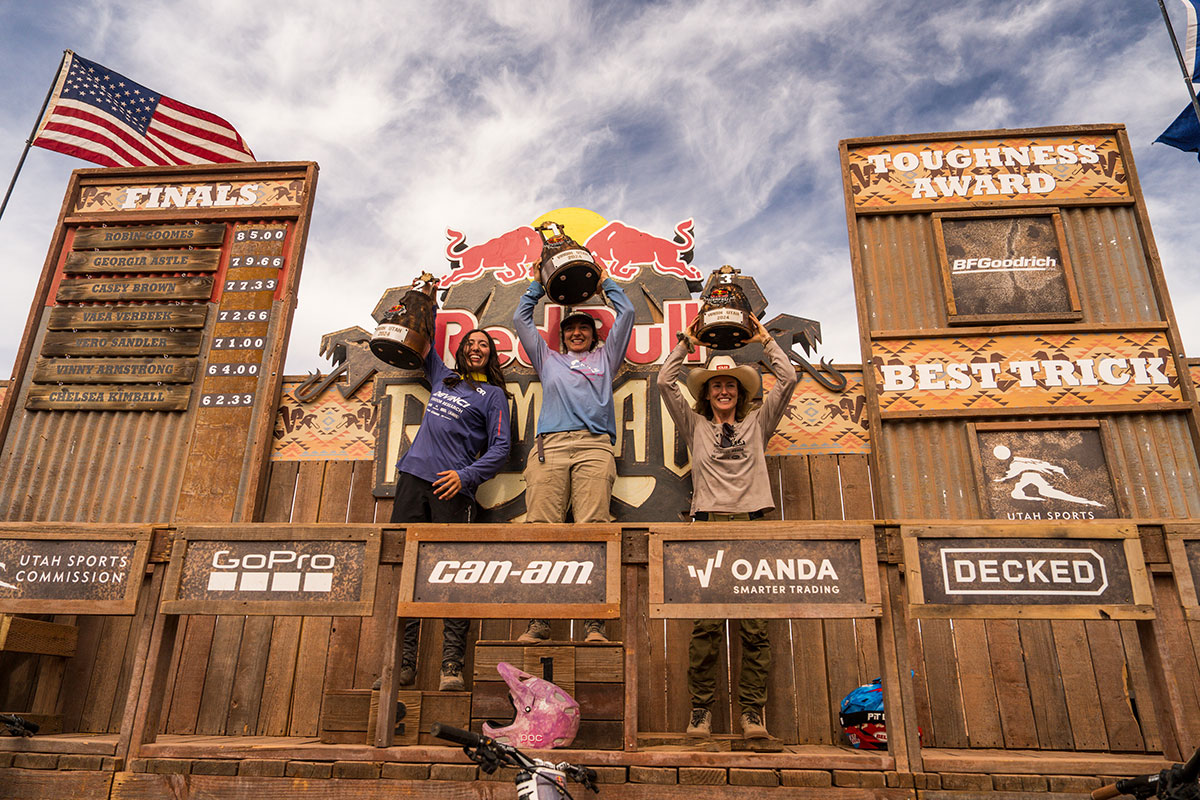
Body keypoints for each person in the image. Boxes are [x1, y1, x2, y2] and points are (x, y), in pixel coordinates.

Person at [656, 315, 798, 740]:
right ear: (706, 392)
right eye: (716, 385)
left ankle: (752, 715)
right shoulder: (694, 424)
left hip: (753, 524)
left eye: (730, 385)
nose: (723, 390)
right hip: (708, 525)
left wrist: (764, 339)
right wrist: (687, 340)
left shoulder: (758, 423)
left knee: (755, 626)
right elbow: (664, 381)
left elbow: (788, 378)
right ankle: (701, 712)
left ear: (740, 392)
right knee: (707, 626)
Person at [513, 262, 634, 644]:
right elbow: (520, 318)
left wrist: (602, 283)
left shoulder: (605, 358)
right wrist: (538, 283)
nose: (577, 332)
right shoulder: (549, 359)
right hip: (551, 447)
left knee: (593, 531)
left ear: (594, 336)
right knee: (542, 533)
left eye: (584, 328)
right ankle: (540, 621)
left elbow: (627, 311)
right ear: (562, 337)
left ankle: (594, 622)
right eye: (570, 328)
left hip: (594, 446)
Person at [391, 324, 512, 691]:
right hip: (412, 479)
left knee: (453, 575)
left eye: (484, 345)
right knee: (402, 575)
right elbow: (421, 338)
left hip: (452, 489)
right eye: (470, 343)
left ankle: (451, 667)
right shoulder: (443, 377)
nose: (476, 348)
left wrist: (466, 477)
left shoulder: (493, 395)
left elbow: (501, 448)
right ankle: (403, 665)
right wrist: (423, 297)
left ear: (490, 355)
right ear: (461, 351)